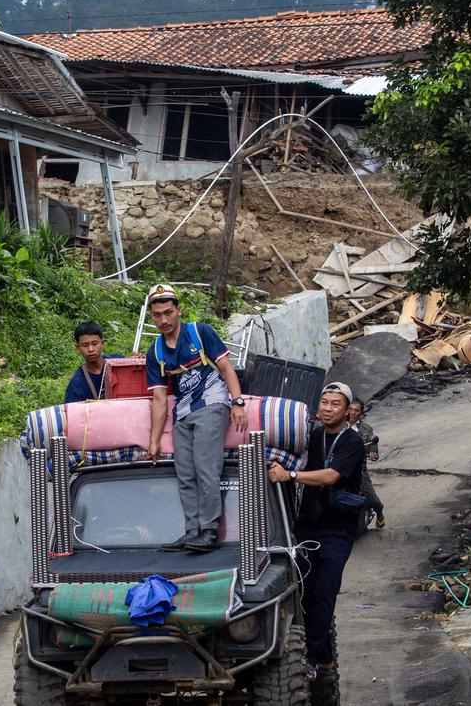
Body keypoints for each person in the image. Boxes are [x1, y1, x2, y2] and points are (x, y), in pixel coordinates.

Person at [267, 382, 365, 685]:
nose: (328, 408)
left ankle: (310, 660)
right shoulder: (313, 435)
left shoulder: (352, 441)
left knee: (324, 595)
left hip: (337, 530)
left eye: (335, 404)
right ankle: (324, 660)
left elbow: (330, 476)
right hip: (307, 526)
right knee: (303, 594)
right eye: (324, 402)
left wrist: (290, 475)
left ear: (347, 411)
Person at [144, 284, 247, 554]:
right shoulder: (155, 352)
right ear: (151, 316)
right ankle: (192, 531)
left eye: (168, 312)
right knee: (185, 473)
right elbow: (159, 399)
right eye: (157, 315)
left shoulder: (200, 333)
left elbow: (227, 368)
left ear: (179, 310)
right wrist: (154, 440)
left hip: (212, 403)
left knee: (206, 467)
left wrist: (237, 403)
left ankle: (209, 531)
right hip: (183, 412)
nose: (164, 320)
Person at [64, 320, 124, 403]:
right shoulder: (77, 384)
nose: (91, 349)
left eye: (95, 344)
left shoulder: (119, 363)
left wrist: (136, 360)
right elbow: (72, 410)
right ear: (78, 348)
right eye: (85, 345)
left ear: (102, 343)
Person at [348, 400, 386, 529]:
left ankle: (379, 511)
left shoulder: (366, 429)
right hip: (338, 466)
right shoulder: (339, 425)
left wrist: (373, 453)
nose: (353, 413)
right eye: (350, 409)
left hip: (358, 468)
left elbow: (372, 442)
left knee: (371, 496)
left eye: (356, 410)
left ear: (361, 413)